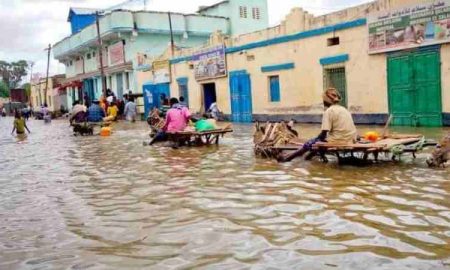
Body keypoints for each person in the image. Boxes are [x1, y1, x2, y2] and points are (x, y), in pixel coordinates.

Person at [278, 88, 357, 162]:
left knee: (309, 144)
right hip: (350, 139)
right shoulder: (344, 109)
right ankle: (307, 158)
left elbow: (323, 134)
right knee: (316, 143)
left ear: (326, 101)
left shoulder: (329, 111)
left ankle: (287, 159)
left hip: (339, 140)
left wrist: (315, 139)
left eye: (323, 100)